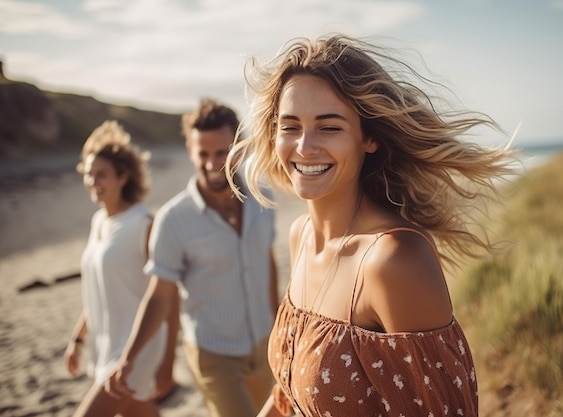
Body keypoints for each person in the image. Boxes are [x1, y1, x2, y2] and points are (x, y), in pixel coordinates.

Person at [226, 34, 516, 417]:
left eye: (329, 127)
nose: (305, 146)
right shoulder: (301, 237)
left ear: (370, 138)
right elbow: (290, 394)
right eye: (290, 126)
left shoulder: (394, 261)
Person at [107, 98, 279, 417]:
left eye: (221, 152)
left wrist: (280, 327)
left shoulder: (262, 197)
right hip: (215, 355)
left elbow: (266, 262)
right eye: (203, 154)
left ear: (238, 147)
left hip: (266, 345)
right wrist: (130, 358)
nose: (212, 164)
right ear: (190, 150)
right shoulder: (173, 219)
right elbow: (159, 297)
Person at [65, 120, 177, 417]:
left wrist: (167, 363)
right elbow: (101, 288)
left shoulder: (144, 224)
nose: (92, 181)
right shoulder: (99, 221)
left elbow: (169, 295)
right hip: (106, 343)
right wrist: (78, 338)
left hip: (136, 348)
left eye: (100, 174)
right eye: (88, 174)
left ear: (123, 177)